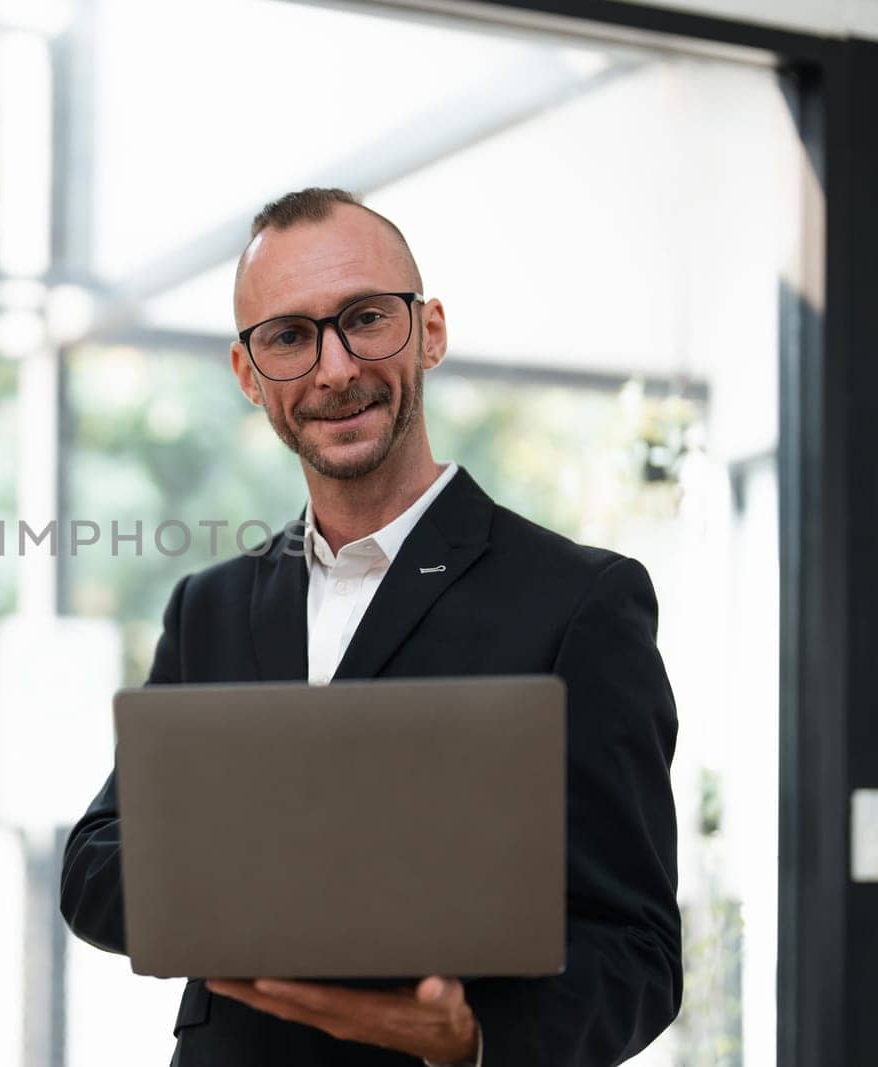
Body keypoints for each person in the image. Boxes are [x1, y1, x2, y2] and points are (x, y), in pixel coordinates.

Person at [59, 187, 682, 1066]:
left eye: (365, 318)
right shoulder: (212, 608)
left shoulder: (582, 602)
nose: (336, 368)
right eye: (288, 336)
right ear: (249, 375)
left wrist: (468, 1035)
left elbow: (639, 952)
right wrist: (281, 884)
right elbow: (95, 868)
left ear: (428, 330)